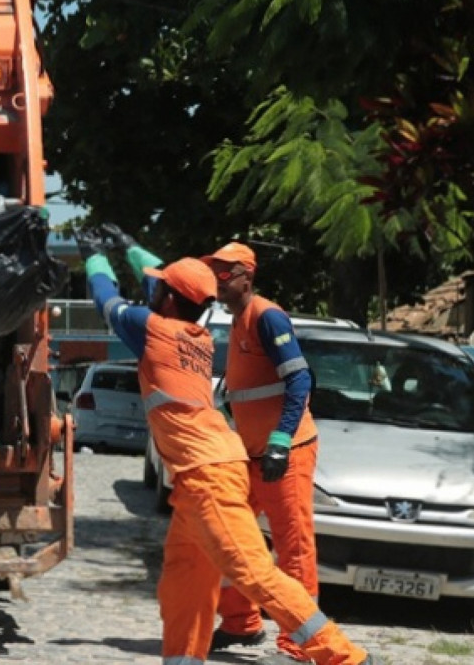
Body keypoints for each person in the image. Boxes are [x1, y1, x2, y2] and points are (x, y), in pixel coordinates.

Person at [80, 226, 373, 665]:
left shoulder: (153, 330)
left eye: (159, 289)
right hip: (211, 467)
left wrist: (94, 257)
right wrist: (127, 246)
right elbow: (160, 284)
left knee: (252, 570)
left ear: (170, 300)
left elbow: (105, 296)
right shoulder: (193, 334)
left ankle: (345, 657)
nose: (152, 291)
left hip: (207, 474)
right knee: (185, 577)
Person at [202, 241, 319, 662]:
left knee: (294, 548)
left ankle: (300, 643)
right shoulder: (236, 320)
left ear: (246, 278)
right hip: (251, 453)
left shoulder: (267, 316)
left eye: (223, 273)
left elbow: (301, 381)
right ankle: (241, 623)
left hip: (282, 453)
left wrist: (281, 441)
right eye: (213, 272)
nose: (216, 279)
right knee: (232, 535)